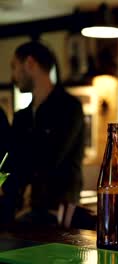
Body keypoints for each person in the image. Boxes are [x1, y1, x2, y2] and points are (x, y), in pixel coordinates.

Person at [1, 41, 85, 226]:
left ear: (30, 63)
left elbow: (50, 157)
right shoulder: (22, 116)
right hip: (23, 210)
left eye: (14, 67)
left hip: (58, 213)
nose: (13, 76)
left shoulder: (69, 108)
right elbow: (13, 160)